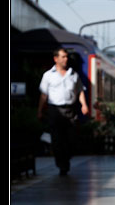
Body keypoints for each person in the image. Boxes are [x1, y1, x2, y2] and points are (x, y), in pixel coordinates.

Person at [38, 47, 89, 175]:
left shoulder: (73, 74)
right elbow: (43, 95)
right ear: (56, 59)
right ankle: (62, 165)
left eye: (66, 56)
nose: (66, 59)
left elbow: (80, 91)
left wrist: (84, 105)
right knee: (57, 139)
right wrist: (39, 110)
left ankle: (66, 158)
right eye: (63, 57)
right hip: (54, 110)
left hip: (70, 110)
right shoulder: (48, 75)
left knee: (72, 137)